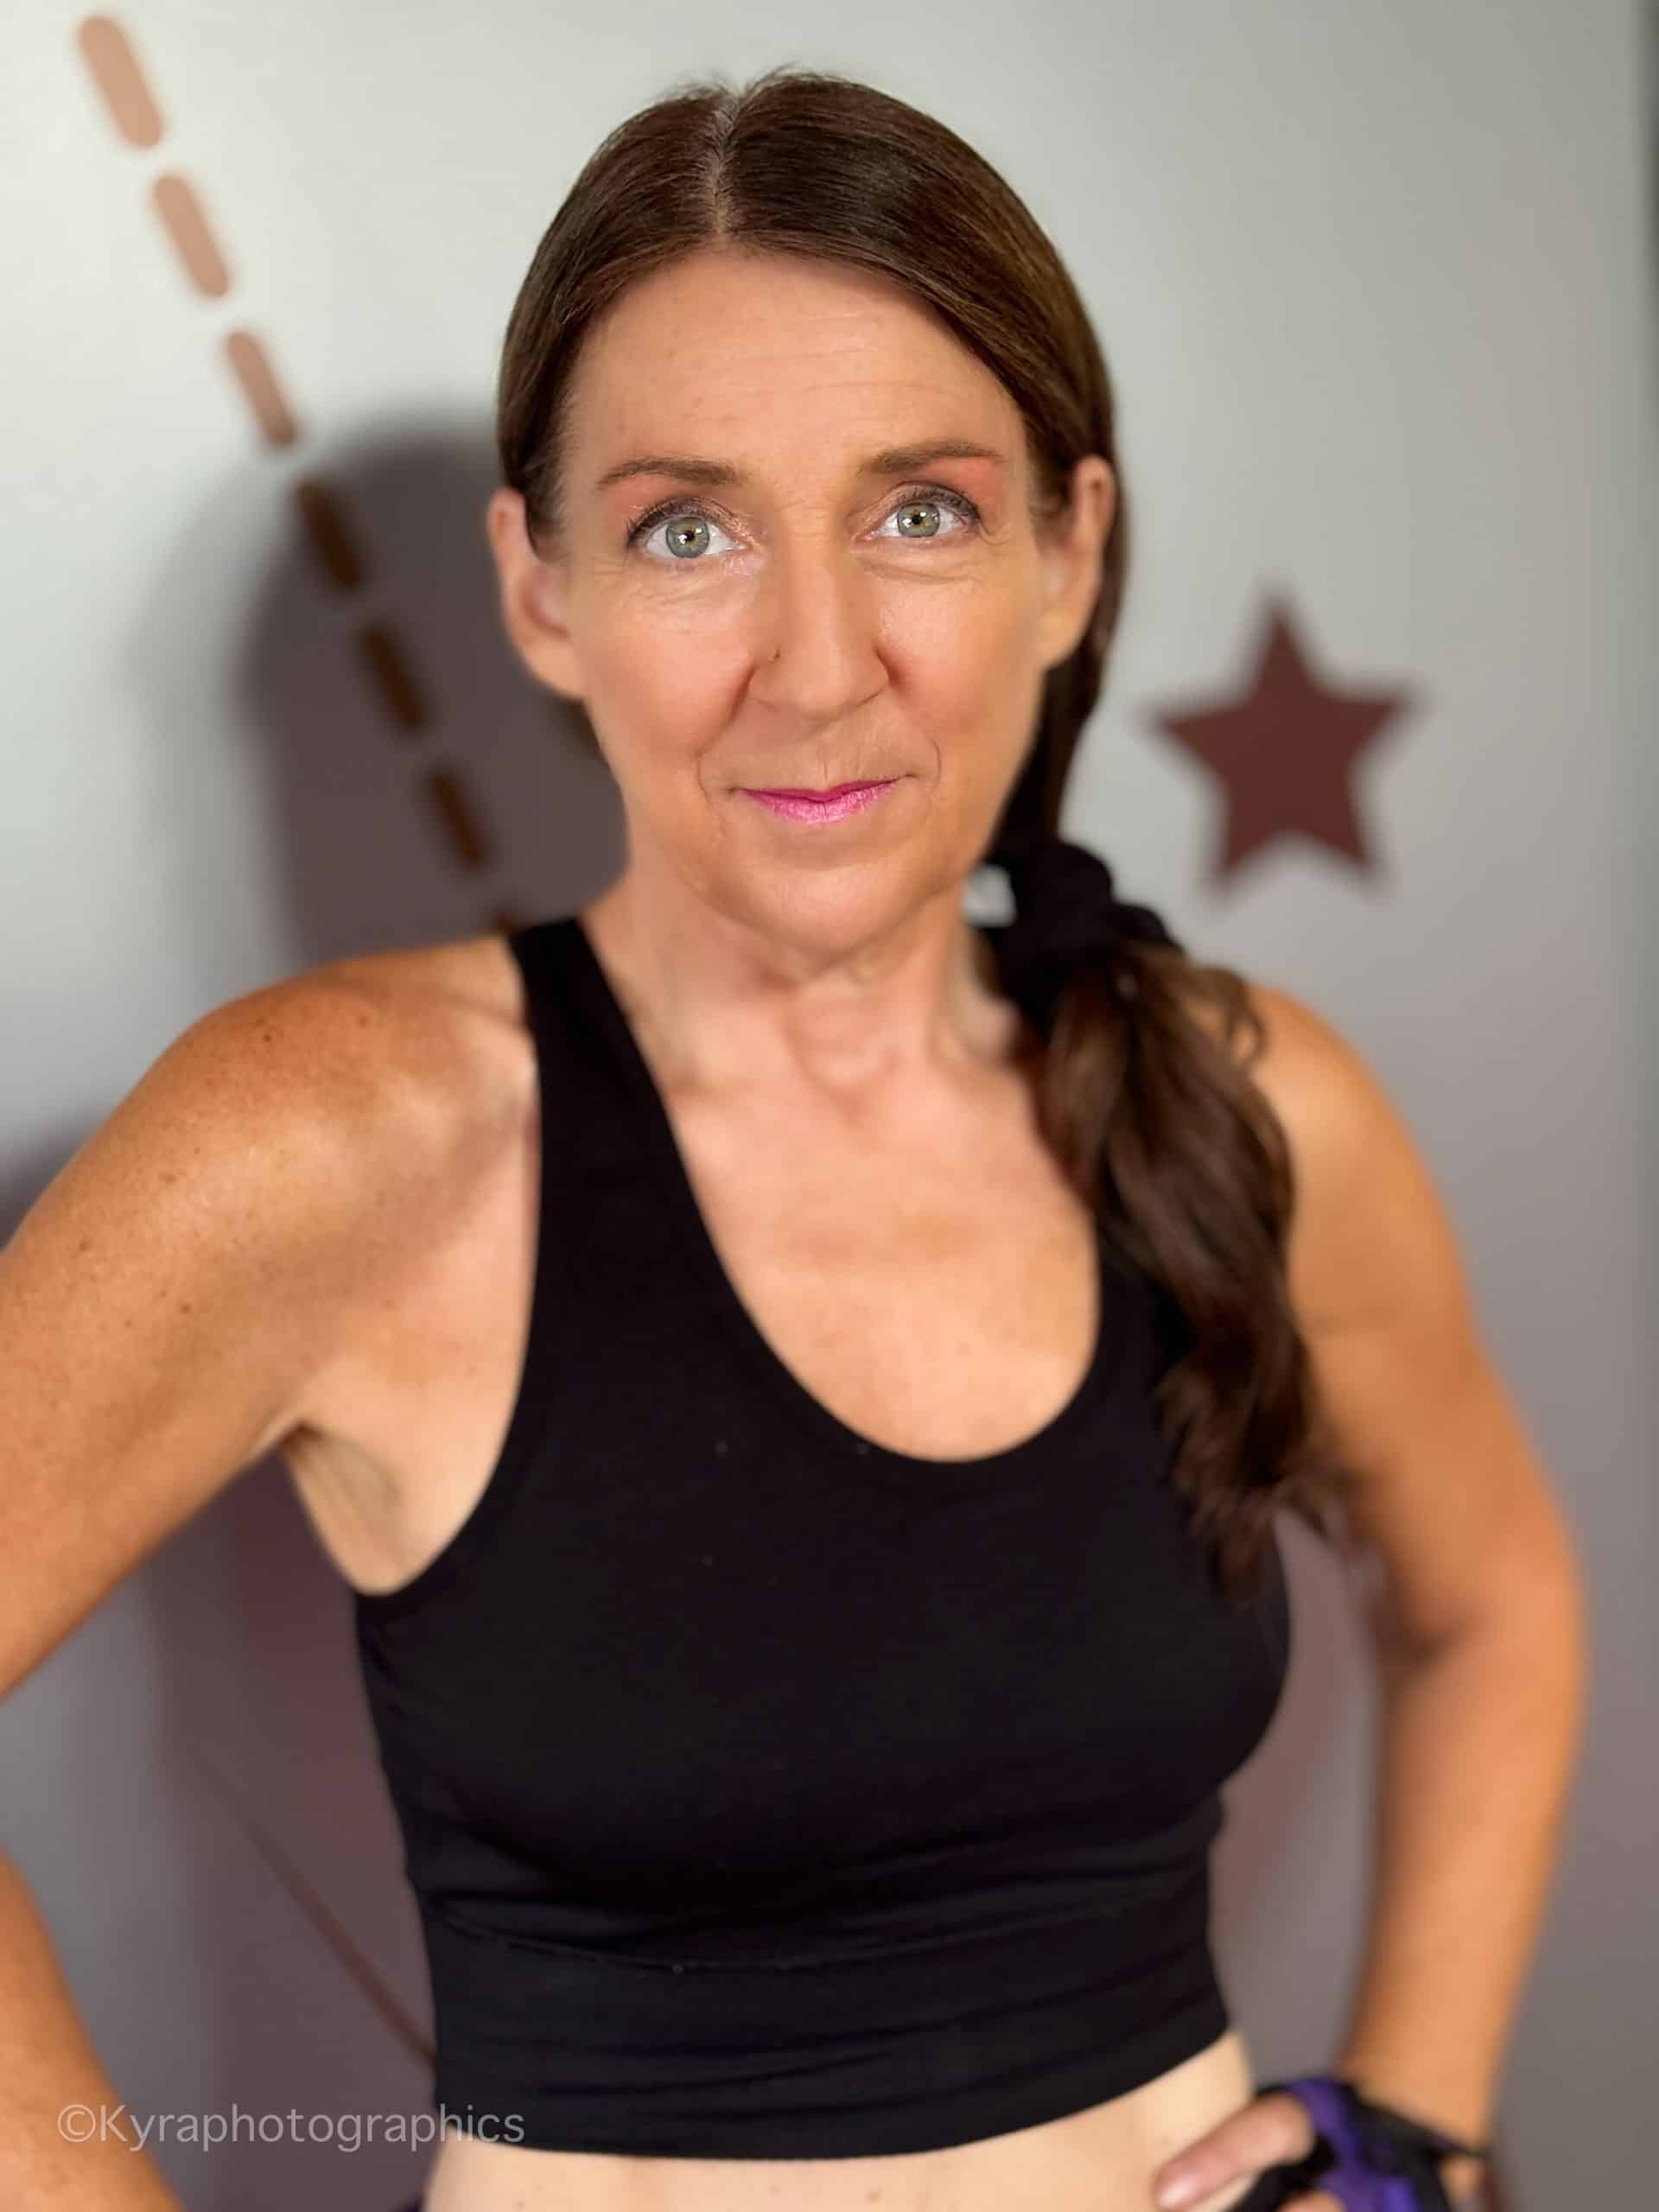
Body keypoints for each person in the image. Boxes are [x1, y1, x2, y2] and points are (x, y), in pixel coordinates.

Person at [0, 63, 1586, 2212]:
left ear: (1068, 553)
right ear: (542, 589)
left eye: (920, 510)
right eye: (691, 529)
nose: (819, 666)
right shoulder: (336, 1136)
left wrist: (1415, 2133)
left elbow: (1495, 1593)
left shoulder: (1246, 1097)